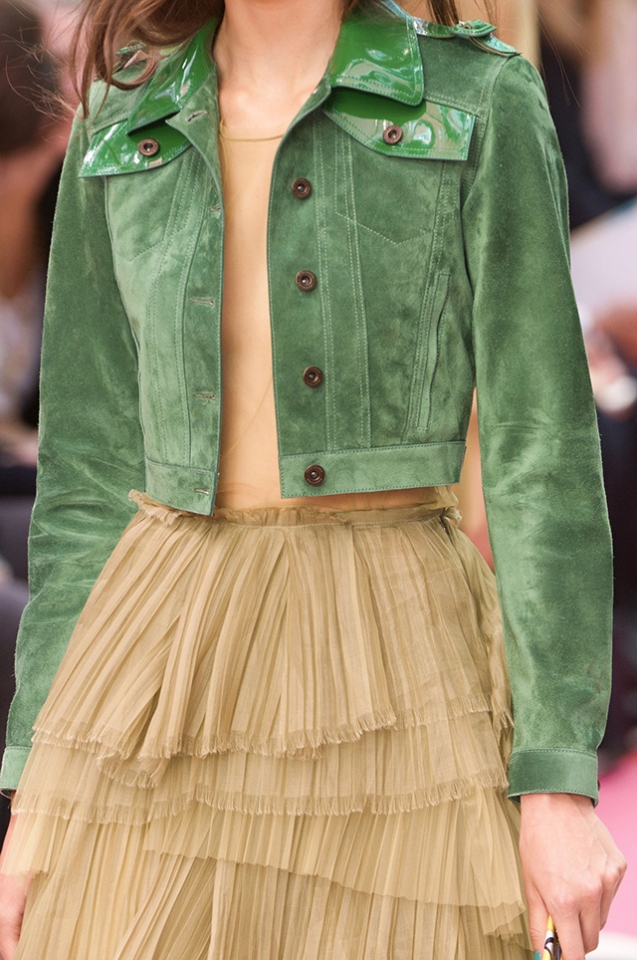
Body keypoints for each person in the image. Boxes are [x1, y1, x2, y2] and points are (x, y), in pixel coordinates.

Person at [0, 0, 626, 958]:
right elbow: (86, 477)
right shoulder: (121, 116)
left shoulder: (477, 98)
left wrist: (556, 779)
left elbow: (540, 451)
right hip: (157, 661)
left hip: (393, 653)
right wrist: (34, 777)